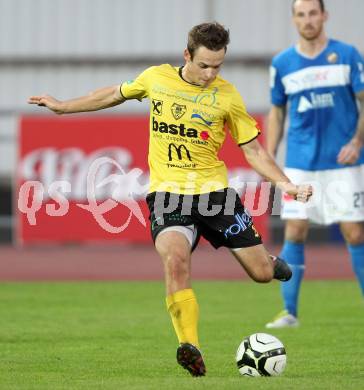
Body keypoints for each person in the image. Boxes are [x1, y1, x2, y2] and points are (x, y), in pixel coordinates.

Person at [28, 22, 312, 376]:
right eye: (204, 64)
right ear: (187, 55)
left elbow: (253, 151)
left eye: (217, 66)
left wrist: (286, 185)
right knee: (175, 260)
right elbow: (113, 94)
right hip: (168, 196)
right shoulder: (156, 78)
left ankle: (270, 262)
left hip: (215, 196)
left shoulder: (227, 96)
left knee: (260, 273)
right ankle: (189, 345)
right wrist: (63, 107)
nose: (210, 74)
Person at [266, 0, 364, 329]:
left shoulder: (348, 55)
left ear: (324, 16)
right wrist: (269, 155)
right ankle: (289, 312)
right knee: (295, 228)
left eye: (312, 13)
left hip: (342, 162)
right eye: (301, 14)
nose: (307, 20)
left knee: (354, 233)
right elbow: (277, 111)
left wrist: (357, 142)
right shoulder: (283, 63)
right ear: (294, 19)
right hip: (299, 163)